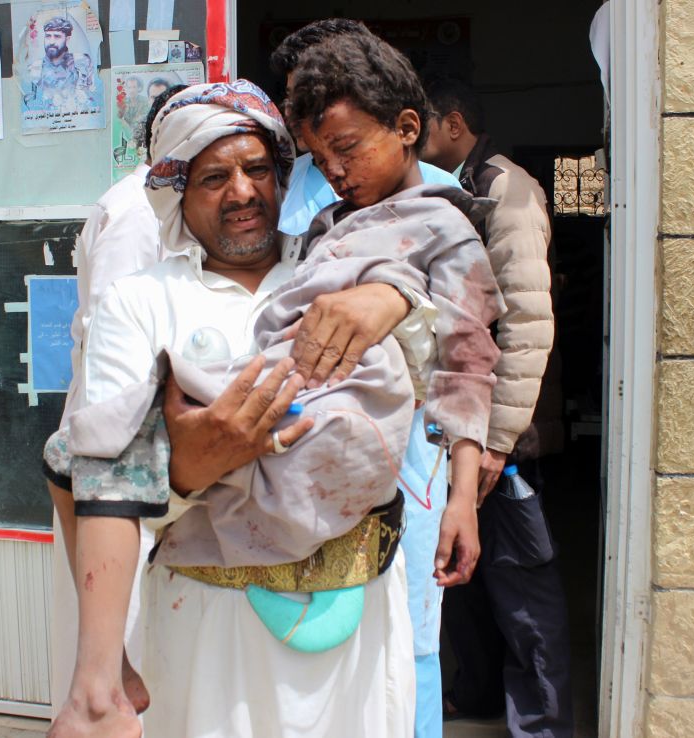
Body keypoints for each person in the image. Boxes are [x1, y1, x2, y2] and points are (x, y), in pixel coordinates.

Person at [51, 80, 429, 737]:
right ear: (176, 193)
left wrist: (390, 299)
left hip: (361, 614)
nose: (243, 192)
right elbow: (97, 482)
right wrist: (187, 468)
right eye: (213, 177)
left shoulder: (343, 270)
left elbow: (440, 350)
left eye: (257, 169)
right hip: (212, 627)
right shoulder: (139, 302)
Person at [270, 20, 474, 738]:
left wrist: (465, 499)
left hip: (417, 467)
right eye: (321, 160)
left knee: (412, 637)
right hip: (331, 455)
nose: (337, 171)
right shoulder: (328, 219)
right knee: (340, 627)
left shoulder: (447, 219)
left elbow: (468, 369)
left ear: (409, 127)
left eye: (348, 150)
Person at [422, 77, 570, 738]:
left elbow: (529, 324)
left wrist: (500, 439)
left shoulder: (507, 189)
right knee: (468, 586)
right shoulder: (455, 187)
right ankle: (478, 695)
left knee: (522, 591)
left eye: (419, 127)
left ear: (453, 124)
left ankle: (543, 724)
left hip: (505, 440)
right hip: (465, 434)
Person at [44, 85, 187, 718]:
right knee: (118, 626)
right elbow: (116, 336)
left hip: (144, 448)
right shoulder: (137, 210)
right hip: (119, 449)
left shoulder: (163, 203)